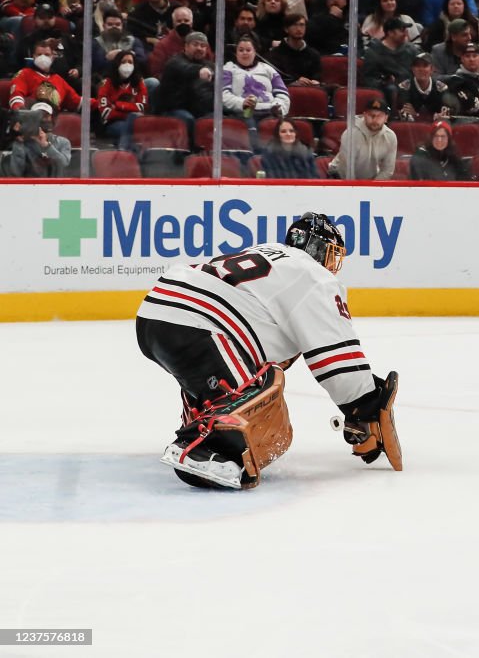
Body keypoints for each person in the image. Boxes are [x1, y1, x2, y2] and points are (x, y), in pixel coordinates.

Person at [136, 212, 402, 489]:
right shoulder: (312, 274)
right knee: (262, 391)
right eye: (331, 254)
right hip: (196, 322)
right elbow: (337, 357)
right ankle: (205, 447)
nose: (331, 264)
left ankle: (206, 410)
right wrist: (366, 403)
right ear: (317, 248)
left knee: (243, 369)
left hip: (156, 312)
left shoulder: (270, 255)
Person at [222, 34, 289, 140]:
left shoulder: (268, 69)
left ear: (255, 52)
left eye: (248, 50)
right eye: (241, 50)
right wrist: (242, 103)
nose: (244, 53)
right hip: (244, 113)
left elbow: (283, 94)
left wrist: (279, 108)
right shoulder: (228, 69)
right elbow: (223, 95)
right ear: (236, 53)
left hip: (269, 111)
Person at [328, 96, 397, 179]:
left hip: (370, 180)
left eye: (379, 116)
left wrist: (373, 187)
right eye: (371, 115)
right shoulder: (351, 134)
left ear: (386, 118)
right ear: (364, 115)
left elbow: (387, 170)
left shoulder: (390, 137)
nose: (374, 119)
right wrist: (356, 189)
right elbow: (345, 169)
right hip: (340, 176)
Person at [97, 49, 148, 150]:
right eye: (123, 62)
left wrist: (119, 105)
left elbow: (142, 107)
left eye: (130, 62)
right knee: (130, 127)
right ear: (117, 64)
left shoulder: (139, 82)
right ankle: (126, 150)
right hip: (113, 124)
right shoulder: (107, 83)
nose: (127, 65)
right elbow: (106, 113)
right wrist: (131, 110)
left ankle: (123, 149)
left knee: (133, 119)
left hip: (135, 121)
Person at [6, 102, 72, 177]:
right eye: (38, 116)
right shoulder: (24, 142)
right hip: (29, 186)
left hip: (56, 186)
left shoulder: (62, 142)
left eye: (46, 116)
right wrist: (19, 143)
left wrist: (46, 146)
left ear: (51, 118)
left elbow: (63, 164)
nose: (42, 119)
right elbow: (15, 172)